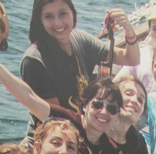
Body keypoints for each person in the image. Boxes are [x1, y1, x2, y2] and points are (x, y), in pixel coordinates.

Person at [18, 0, 139, 134]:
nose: (57, 23)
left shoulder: (79, 39)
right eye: (48, 16)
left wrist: (128, 29)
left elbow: (131, 58)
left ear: (73, 14)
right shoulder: (34, 61)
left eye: (63, 13)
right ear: (40, 20)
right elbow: (56, 120)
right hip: (56, 137)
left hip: (85, 129)